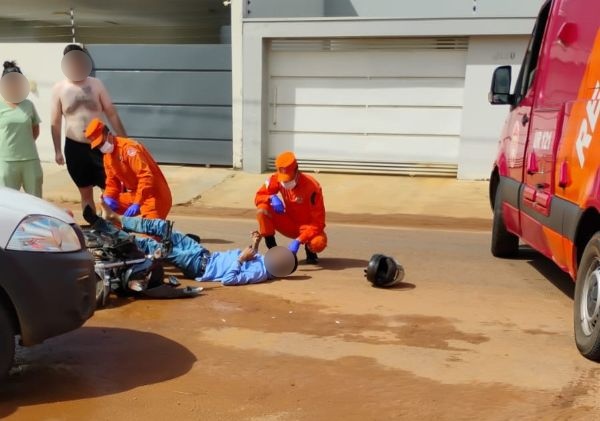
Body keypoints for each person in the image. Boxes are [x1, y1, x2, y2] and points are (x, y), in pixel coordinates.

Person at [83, 205, 298, 286]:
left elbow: (230, 280)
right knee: (162, 227)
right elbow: (252, 258)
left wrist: (241, 259)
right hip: (202, 253)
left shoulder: (260, 274)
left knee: (147, 245)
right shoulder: (263, 262)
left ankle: (103, 227)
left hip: (199, 266)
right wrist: (255, 244)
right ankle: (117, 219)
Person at [51, 44, 127, 213]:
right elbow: (55, 122)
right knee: (85, 192)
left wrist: (124, 140)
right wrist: (57, 151)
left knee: (110, 188)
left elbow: (111, 113)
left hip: (101, 144)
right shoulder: (59, 89)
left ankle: (109, 220)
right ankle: (94, 223)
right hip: (75, 147)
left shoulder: (96, 84)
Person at [85, 118, 172, 219]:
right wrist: (108, 196)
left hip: (154, 196)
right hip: (136, 195)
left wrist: (137, 203)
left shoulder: (128, 148)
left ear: (109, 134)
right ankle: (117, 227)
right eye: (98, 146)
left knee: (149, 229)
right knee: (105, 202)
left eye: (101, 143)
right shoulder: (107, 157)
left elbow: (146, 177)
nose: (101, 147)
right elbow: (112, 181)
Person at [255, 151, 327, 264]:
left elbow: (319, 223)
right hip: (288, 223)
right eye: (283, 179)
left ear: (296, 170)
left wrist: (299, 240)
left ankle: (310, 251)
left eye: (288, 178)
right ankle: (273, 249)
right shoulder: (275, 178)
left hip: (307, 227)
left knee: (318, 243)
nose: (285, 182)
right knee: (262, 209)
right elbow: (259, 197)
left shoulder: (312, 187)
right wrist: (271, 197)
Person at [0, 61, 43, 197]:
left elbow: (35, 129)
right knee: (8, 202)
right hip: (6, 161)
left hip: (30, 160)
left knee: (36, 200)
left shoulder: (28, 105)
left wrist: (24, 144)